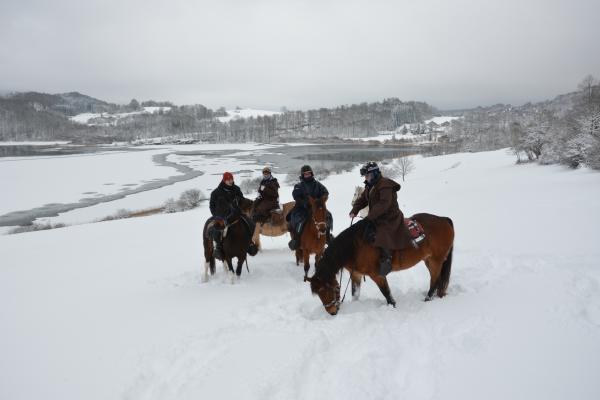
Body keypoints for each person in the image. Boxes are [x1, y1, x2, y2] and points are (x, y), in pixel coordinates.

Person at [349, 161, 414, 276]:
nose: (366, 178)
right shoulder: (370, 186)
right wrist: (355, 210)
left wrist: (369, 217)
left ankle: (386, 259)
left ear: (374, 173)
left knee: (382, 233)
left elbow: (384, 204)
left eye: (367, 175)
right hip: (377, 216)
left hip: (389, 217)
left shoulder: (385, 185)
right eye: (365, 176)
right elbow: (363, 199)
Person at [209, 172, 257, 259]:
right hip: (222, 216)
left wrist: (242, 201)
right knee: (217, 230)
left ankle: (249, 243)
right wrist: (217, 216)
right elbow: (212, 206)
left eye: (231, 179)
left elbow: (242, 201)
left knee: (251, 223)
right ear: (224, 180)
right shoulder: (216, 193)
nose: (230, 181)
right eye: (228, 180)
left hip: (236, 213)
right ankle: (218, 248)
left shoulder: (236, 189)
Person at [287, 165, 333, 250]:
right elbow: (296, 196)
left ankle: (327, 237)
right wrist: (305, 202)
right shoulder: (298, 185)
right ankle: (297, 239)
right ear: (302, 175)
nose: (307, 175)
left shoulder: (317, 184)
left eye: (308, 174)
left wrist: (322, 199)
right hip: (302, 208)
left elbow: (325, 191)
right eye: (305, 174)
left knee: (328, 216)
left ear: (311, 174)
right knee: (300, 221)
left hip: (316, 208)